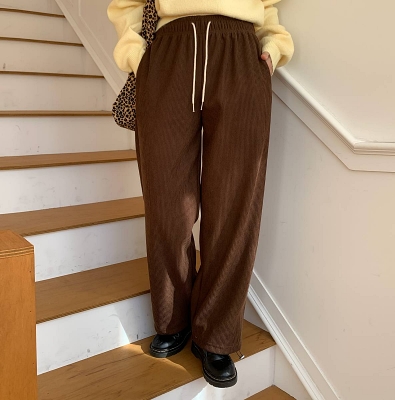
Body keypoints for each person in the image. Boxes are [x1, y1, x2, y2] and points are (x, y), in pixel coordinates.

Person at [107, 0, 294, 389]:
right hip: (170, 53)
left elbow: (267, 5)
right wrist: (138, 57)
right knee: (166, 202)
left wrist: (273, 46)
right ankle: (173, 318)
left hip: (241, 53)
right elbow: (127, 5)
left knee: (234, 207)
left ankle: (216, 335)